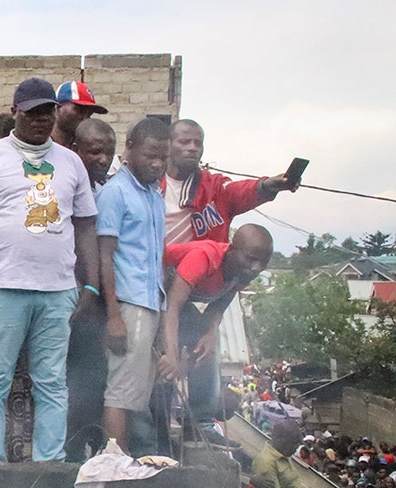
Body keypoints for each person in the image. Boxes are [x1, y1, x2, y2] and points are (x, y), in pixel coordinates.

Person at [0, 77, 99, 462]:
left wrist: (91, 286)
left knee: (52, 383)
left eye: (46, 111)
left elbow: (85, 226)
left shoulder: (72, 164)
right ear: (14, 111)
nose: (40, 119)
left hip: (57, 291)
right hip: (1, 286)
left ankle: (48, 465)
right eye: (32, 111)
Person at [157, 224, 274, 447]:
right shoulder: (204, 258)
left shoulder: (243, 273)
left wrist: (210, 334)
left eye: (263, 263)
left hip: (177, 305)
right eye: (250, 258)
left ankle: (200, 423)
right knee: (163, 365)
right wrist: (172, 352)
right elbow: (172, 306)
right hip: (156, 295)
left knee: (209, 345)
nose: (255, 267)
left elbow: (217, 309)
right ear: (232, 249)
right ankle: (154, 428)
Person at [94, 118, 170, 453]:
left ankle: (123, 461)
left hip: (150, 302)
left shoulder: (154, 195)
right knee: (121, 392)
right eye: (151, 155)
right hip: (128, 304)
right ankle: (115, 463)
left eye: (163, 157)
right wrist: (114, 316)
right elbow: (104, 256)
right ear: (130, 149)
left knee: (135, 393)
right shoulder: (116, 192)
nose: (157, 163)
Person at [63, 116, 118, 459]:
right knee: (66, 384)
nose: (102, 159)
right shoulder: (62, 187)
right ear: (75, 151)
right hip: (67, 297)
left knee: (93, 382)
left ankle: (88, 452)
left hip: (96, 302)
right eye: (95, 152)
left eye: (108, 153)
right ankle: (64, 455)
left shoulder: (109, 191)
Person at [165, 119, 298, 246]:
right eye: (184, 142)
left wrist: (267, 186)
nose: (192, 148)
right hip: (155, 266)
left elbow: (240, 191)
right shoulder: (151, 186)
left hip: (201, 268)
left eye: (198, 143)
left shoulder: (215, 187)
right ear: (168, 146)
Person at [51, 81, 108, 148]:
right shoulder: (39, 145)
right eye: (80, 110)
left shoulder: (83, 150)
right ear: (58, 106)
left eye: (89, 114)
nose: (85, 118)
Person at [72, 118, 117, 190]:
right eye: (95, 152)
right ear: (76, 150)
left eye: (110, 153)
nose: (104, 160)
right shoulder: (65, 189)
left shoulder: (106, 189)